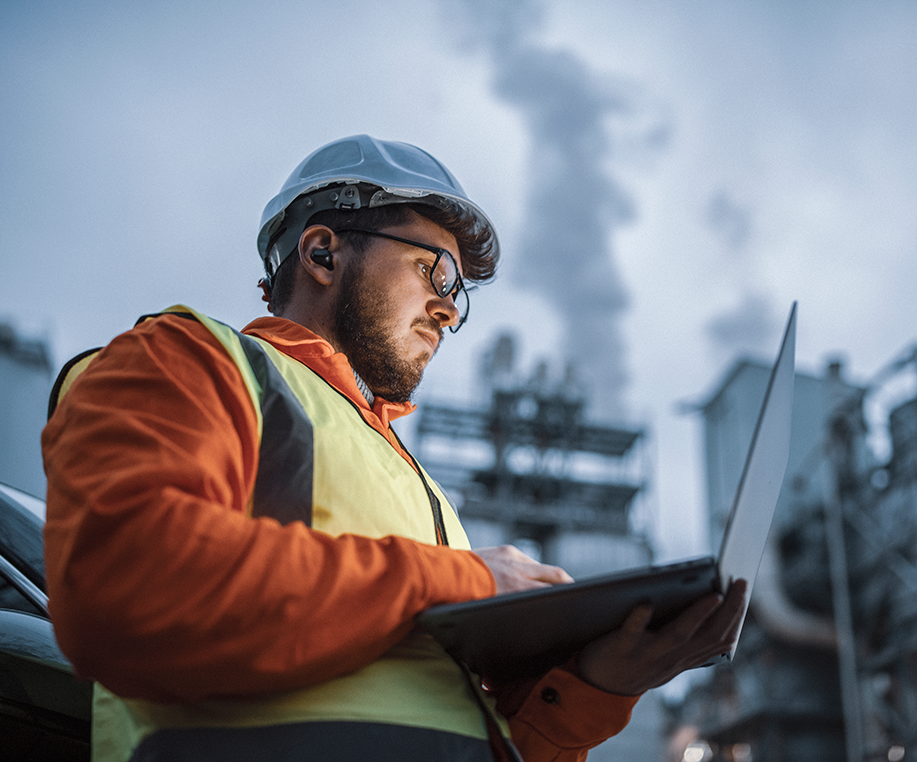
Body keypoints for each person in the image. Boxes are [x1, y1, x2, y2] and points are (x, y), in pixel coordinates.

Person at [42, 134, 745, 762]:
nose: (447, 307)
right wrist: (465, 580)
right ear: (323, 253)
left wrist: (596, 685)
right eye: (433, 272)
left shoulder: (418, 488)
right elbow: (125, 586)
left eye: (458, 294)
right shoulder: (188, 360)